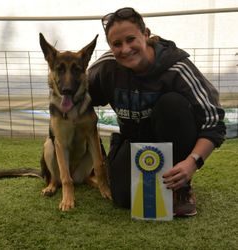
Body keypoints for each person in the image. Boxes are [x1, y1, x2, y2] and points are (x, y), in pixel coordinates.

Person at [88, 7, 226, 216]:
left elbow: (213, 121)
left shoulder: (177, 67)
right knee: (124, 199)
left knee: (172, 104)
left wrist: (192, 163)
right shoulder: (106, 68)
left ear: (146, 34)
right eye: (116, 44)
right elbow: (79, 98)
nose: (125, 49)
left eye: (131, 39)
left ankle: (181, 186)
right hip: (134, 142)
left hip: (173, 138)